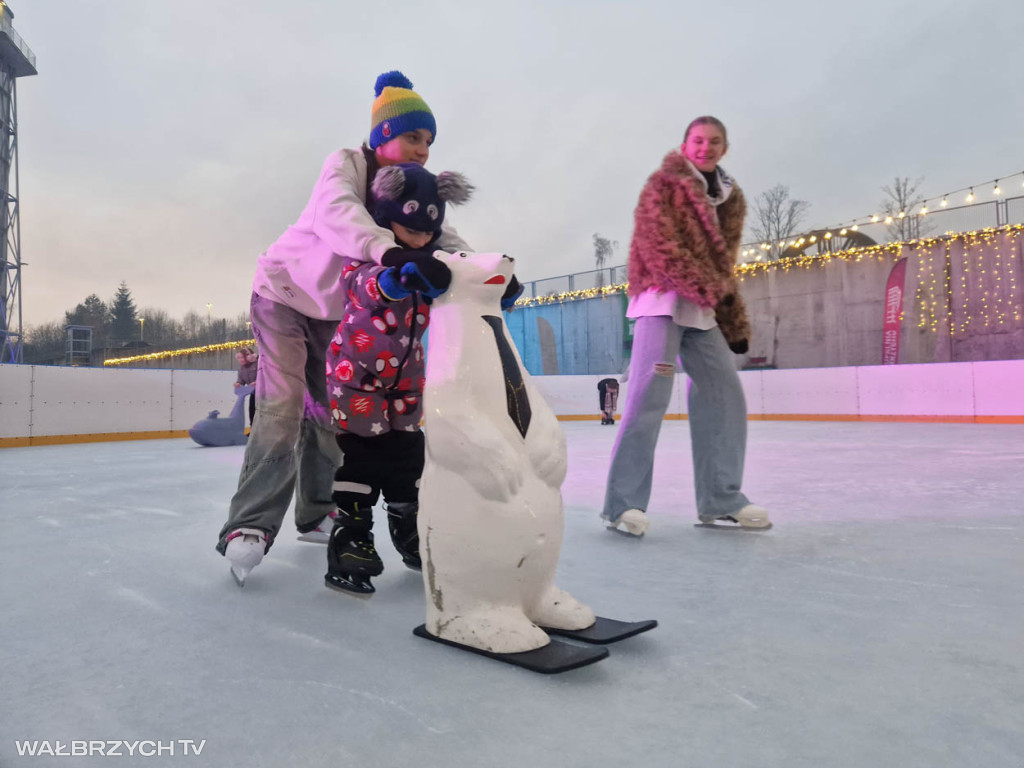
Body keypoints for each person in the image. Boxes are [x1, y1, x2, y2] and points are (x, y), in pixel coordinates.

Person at [217, 70, 473, 586]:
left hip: (334, 314)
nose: (423, 150)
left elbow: (440, 234)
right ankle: (248, 525)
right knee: (284, 403)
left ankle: (317, 511)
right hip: (283, 295)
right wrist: (392, 252)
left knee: (332, 413)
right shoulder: (346, 166)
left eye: (428, 141)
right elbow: (339, 217)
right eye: (413, 137)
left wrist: (482, 271)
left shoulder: (405, 193)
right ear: (381, 137)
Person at [601, 116, 771, 535]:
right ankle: (622, 506)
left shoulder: (730, 198)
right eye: (698, 140)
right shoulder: (664, 184)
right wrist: (710, 287)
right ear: (685, 145)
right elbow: (658, 245)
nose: (705, 147)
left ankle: (721, 499)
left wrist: (730, 314)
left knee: (724, 395)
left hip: (702, 310)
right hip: (660, 300)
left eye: (714, 141)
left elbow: (723, 260)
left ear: (724, 148)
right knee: (648, 399)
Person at [322, 162, 475, 595]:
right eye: (411, 229)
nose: (421, 239)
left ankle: (409, 530)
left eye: (428, 232)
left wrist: (498, 286)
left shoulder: (431, 258)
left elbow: (463, 285)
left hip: (407, 381)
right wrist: (398, 275)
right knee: (364, 458)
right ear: (387, 217)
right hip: (356, 377)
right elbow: (366, 287)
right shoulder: (365, 256)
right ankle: (350, 536)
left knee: (409, 457)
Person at [233, 346, 258, 425]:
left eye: (242, 357)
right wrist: (238, 383)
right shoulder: (242, 368)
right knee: (252, 410)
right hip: (253, 392)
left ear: (249, 357)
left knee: (261, 412)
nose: (240, 360)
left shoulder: (258, 364)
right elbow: (241, 379)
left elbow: (266, 376)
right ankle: (252, 429)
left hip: (264, 393)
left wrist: (257, 382)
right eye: (239, 358)